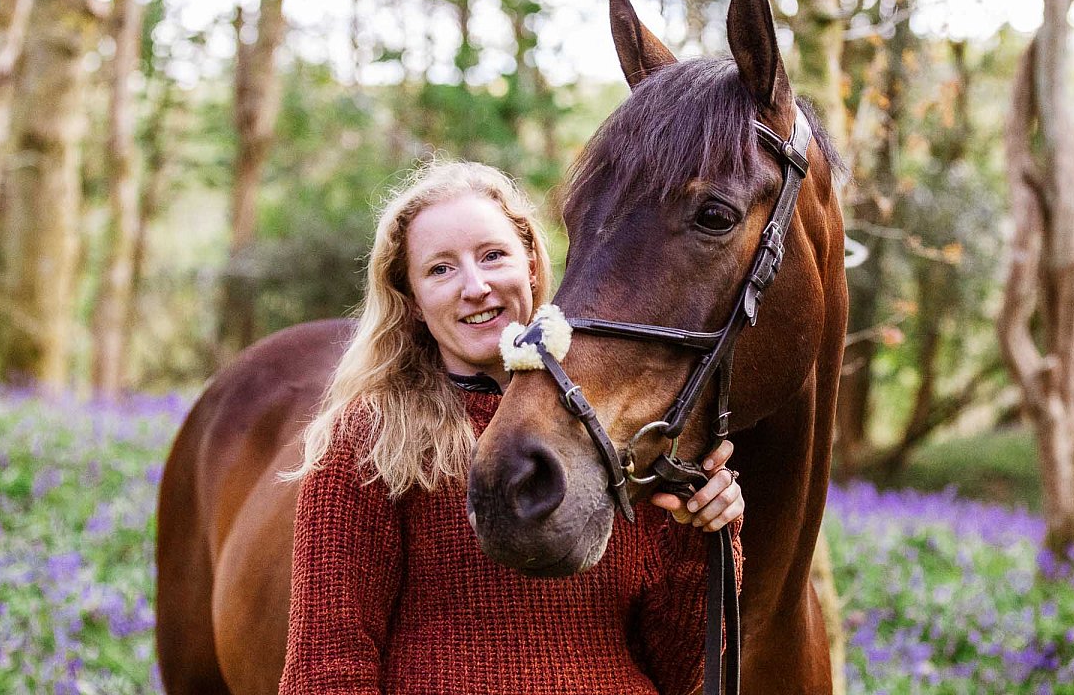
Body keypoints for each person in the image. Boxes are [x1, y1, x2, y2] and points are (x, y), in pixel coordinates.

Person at [279, 161, 744, 695]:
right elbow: (326, 669)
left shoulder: (620, 422)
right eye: (441, 269)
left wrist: (703, 534)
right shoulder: (369, 440)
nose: (475, 287)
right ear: (410, 301)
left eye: (492, 256)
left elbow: (681, 671)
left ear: (529, 262)